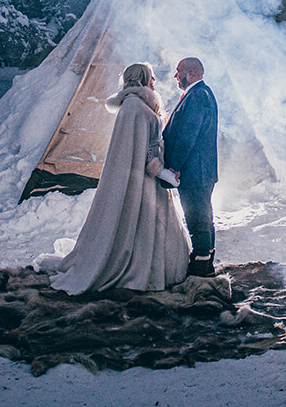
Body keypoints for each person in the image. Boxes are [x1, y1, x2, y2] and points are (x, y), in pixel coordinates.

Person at [45, 63, 190, 295]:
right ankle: (136, 269)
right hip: (140, 180)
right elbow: (142, 150)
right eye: (150, 77)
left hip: (147, 180)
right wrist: (160, 171)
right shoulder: (134, 106)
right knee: (138, 223)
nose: (154, 81)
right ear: (141, 78)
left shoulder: (139, 104)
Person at [162, 57, 219, 278]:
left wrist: (175, 166)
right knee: (204, 217)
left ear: (192, 73)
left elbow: (188, 135)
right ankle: (207, 261)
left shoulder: (196, 97)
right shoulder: (202, 93)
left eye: (179, 72)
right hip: (202, 170)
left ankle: (201, 267)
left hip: (195, 171)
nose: (176, 76)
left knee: (197, 219)